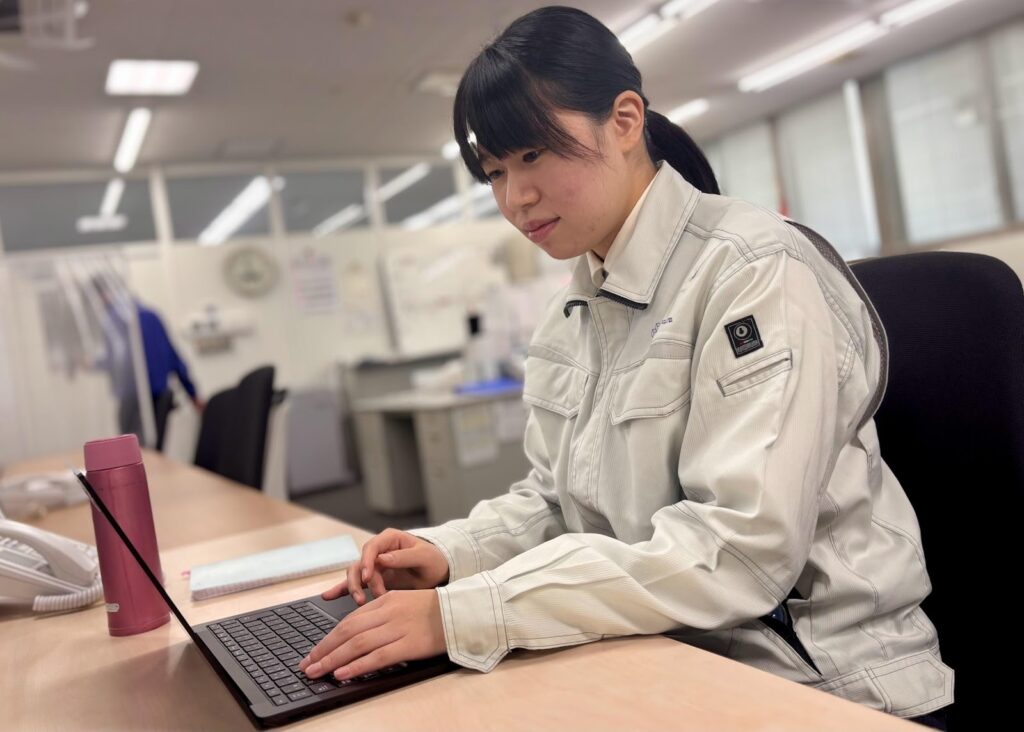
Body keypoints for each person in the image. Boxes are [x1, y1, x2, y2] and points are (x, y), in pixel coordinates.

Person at [298, 7, 952, 727]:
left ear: (625, 120)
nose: (515, 198)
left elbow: (740, 550)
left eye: (533, 155)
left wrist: (472, 612)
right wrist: (450, 553)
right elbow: (559, 503)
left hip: (829, 685)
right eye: (495, 172)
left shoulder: (754, 270)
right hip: (674, 661)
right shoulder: (572, 312)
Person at [91, 278, 203, 449]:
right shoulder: (150, 315)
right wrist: (192, 393)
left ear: (104, 294)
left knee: (132, 453)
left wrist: (89, 363)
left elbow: (115, 358)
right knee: (153, 453)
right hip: (159, 397)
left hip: (135, 399)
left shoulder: (114, 320)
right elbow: (174, 358)